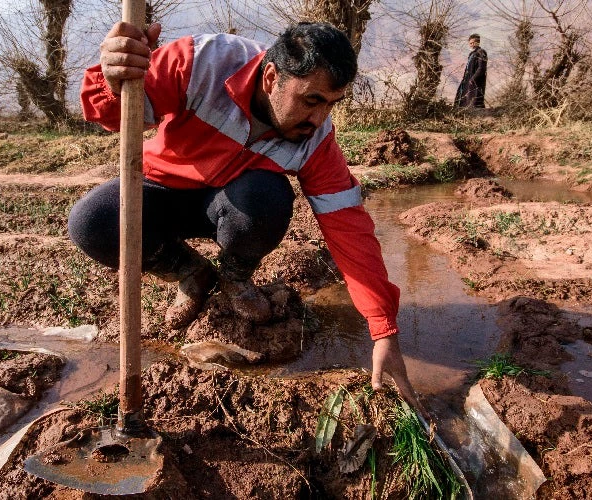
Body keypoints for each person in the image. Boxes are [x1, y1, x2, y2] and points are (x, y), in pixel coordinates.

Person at [69, 21, 419, 406]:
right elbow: (114, 112)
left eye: (331, 104)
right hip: (162, 187)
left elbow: (349, 226)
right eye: (311, 100)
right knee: (91, 222)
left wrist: (383, 328)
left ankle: (235, 280)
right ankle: (190, 272)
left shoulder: (317, 141)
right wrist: (115, 77)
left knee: (266, 198)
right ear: (272, 77)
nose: (319, 119)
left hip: (232, 205)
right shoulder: (203, 61)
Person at [455, 33, 487, 108]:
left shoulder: (481, 52)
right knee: (464, 98)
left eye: (473, 43)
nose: (471, 45)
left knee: (474, 101)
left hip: (476, 80)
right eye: (470, 43)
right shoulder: (472, 54)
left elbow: (481, 68)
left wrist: (473, 79)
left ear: (478, 42)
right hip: (467, 79)